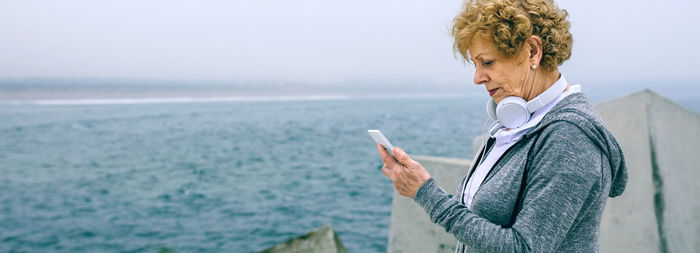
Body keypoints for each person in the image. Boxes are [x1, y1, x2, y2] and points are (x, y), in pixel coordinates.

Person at [375, 0, 628, 252]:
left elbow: (523, 247)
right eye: (475, 65)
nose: (477, 78)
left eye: (487, 63)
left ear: (532, 51)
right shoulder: (518, 125)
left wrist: (426, 193)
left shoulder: (571, 137)